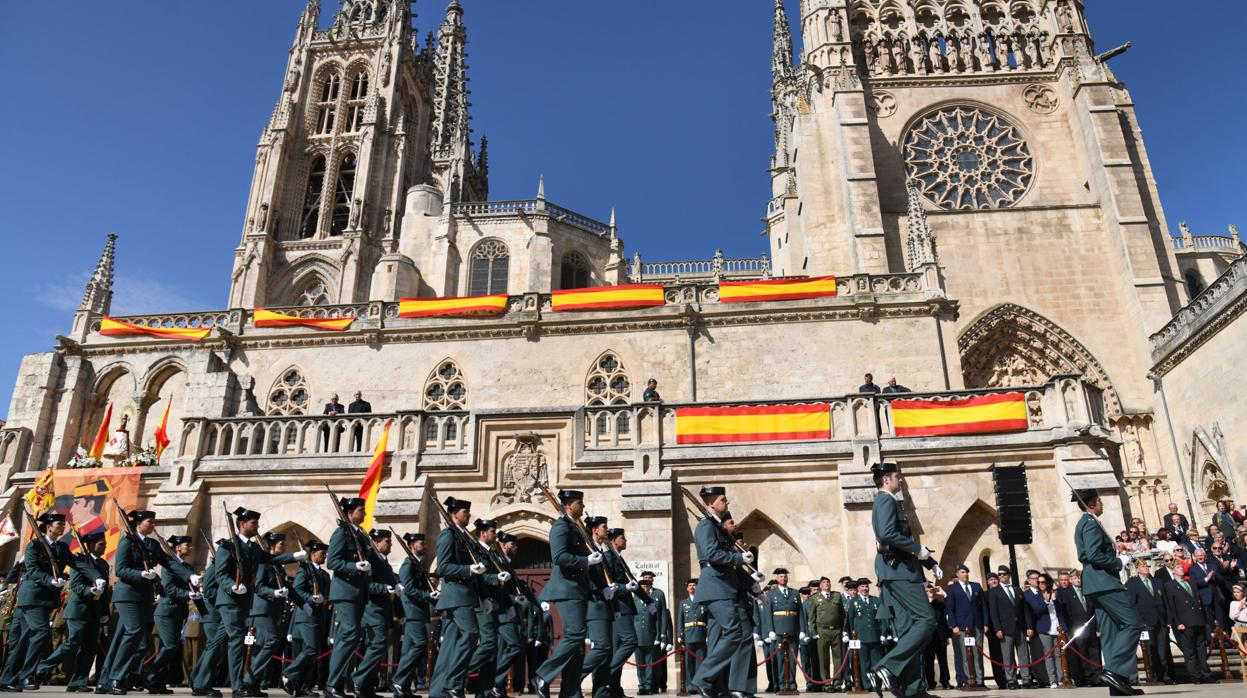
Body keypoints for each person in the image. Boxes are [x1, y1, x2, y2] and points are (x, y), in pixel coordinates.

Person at [211, 508, 303, 698]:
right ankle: (239, 686)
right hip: (229, 600)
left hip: (244, 602)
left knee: (230, 643)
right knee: (236, 641)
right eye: (254, 523)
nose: (258, 526)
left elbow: (270, 559)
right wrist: (232, 586)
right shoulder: (228, 546)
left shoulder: (252, 548)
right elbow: (220, 574)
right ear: (242, 524)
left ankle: (238, 683)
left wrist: (293, 556)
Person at [867, 462, 941, 698]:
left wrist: (928, 560)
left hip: (896, 570)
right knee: (927, 620)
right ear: (887, 479)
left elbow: (900, 541)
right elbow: (889, 534)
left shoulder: (885, 501)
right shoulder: (886, 500)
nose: (900, 480)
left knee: (909, 629)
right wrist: (919, 549)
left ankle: (911, 690)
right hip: (899, 572)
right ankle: (887, 667)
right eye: (897, 477)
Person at [1070, 488, 1142, 696]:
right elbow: (1092, 554)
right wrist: (1119, 561)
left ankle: (1117, 684)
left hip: (1095, 583)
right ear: (1091, 504)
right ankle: (1113, 671)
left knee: (1110, 632)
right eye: (1099, 501)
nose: (1102, 504)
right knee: (1132, 623)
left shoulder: (1084, 523)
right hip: (1104, 582)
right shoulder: (1091, 524)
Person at [687, 486, 756, 698]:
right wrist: (738, 558)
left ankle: (718, 687)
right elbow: (711, 555)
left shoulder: (716, 527)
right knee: (734, 632)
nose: (727, 503)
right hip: (716, 587)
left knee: (719, 638)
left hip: (724, 587)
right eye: (723, 500)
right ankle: (703, 679)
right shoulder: (706, 526)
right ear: (711, 504)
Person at [534, 490, 597, 698]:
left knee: (578, 644)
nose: (584, 506)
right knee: (576, 634)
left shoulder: (574, 527)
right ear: (569, 504)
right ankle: (543, 675)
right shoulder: (560, 526)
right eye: (580, 502)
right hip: (567, 589)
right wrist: (586, 561)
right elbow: (559, 556)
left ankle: (571, 691)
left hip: (577, 589)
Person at [32, 530, 109, 691]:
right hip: (78, 610)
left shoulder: (103, 564)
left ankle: (78, 682)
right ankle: (41, 667)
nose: (105, 546)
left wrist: (104, 613)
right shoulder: (80, 560)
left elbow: (106, 591)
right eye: (102, 544)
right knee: (73, 643)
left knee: (89, 648)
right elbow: (76, 585)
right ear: (92, 545)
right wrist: (90, 590)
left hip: (94, 611)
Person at [428, 498, 485, 698]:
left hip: (465, 595)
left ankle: (437, 691)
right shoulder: (448, 536)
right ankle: (453, 683)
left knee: (450, 646)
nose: (468, 515)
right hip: (456, 596)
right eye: (464, 512)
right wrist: (468, 569)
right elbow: (442, 567)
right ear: (454, 514)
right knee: (471, 634)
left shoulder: (464, 536)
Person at [146, 535, 200, 693]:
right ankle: (150, 675)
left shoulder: (187, 568)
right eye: (187, 545)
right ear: (177, 548)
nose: (190, 548)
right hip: (166, 611)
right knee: (169, 646)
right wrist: (188, 594)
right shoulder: (169, 565)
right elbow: (169, 589)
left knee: (170, 648)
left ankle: (158, 683)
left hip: (178, 612)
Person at [244, 532, 292, 696]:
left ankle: (253, 685)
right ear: (272, 545)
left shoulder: (278, 566)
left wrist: (303, 603)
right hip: (262, 610)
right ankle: (248, 680)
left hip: (273, 611)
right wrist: (275, 592)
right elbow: (258, 586)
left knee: (261, 647)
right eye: (281, 544)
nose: (284, 547)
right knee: (272, 641)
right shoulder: (263, 563)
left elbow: (288, 588)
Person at [282, 540, 330, 698]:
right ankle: (288, 674)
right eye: (322, 553)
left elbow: (327, 594)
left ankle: (304, 687)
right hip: (306, 616)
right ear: (313, 554)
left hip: (319, 617)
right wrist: (311, 598)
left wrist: (323, 599)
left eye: (325, 553)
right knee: (310, 650)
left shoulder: (324, 574)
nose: (324, 556)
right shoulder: (304, 570)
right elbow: (296, 591)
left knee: (311, 654)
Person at [1162, 561, 1216, 684]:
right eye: (1178, 567)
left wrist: (1205, 620)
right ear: (1173, 571)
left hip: (1198, 620)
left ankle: (1206, 675)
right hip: (1184, 623)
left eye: (1181, 566)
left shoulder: (1191, 582)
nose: (1181, 568)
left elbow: (1199, 601)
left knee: (1202, 650)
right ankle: (1195, 676)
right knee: (1190, 652)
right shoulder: (1169, 586)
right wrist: (1177, 622)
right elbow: (1171, 606)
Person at [1126, 562, 1175, 685]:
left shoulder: (1157, 582)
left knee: (1162, 649)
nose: (1146, 568)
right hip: (1146, 622)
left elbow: (1165, 602)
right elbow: (1132, 604)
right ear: (1137, 570)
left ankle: (1164, 675)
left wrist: (1168, 620)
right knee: (1150, 649)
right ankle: (1152, 674)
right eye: (1143, 567)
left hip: (1161, 620)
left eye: (1147, 566)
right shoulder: (1133, 583)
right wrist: (1140, 621)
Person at [986, 565, 1033, 689]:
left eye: (1004, 574)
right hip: (1005, 628)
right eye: (999, 574)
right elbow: (994, 612)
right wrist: (997, 629)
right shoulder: (994, 592)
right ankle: (1011, 679)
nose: (1001, 576)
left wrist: (1029, 626)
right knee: (1008, 655)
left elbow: (1025, 610)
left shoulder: (1017, 590)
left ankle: (1026, 678)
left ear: (1009, 575)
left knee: (1023, 654)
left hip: (1020, 626)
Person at [604, 529, 638, 698]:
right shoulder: (609, 557)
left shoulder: (617, 557)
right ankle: (607, 675)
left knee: (617, 647)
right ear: (613, 541)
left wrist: (648, 601)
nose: (625, 540)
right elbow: (609, 583)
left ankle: (615, 689)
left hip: (624, 606)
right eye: (622, 538)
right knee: (631, 641)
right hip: (618, 607)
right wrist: (625, 588)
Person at [943, 564, 985, 688]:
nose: (965, 574)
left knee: (978, 653)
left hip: (977, 625)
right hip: (962, 627)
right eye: (962, 572)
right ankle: (969, 680)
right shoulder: (953, 589)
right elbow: (949, 608)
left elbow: (983, 606)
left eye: (966, 572)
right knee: (966, 654)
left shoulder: (976, 586)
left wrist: (985, 624)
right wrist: (953, 625)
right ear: (957, 574)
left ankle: (980, 680)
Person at [1055, 571, 1099, 687]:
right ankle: (1087, 677)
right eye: (1075, 578)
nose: (1078, 580)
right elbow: (1066, 613)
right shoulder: (1067, 594)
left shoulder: (1087, 591)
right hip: (1077, 628)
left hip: (1091, 627)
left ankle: (1096, 676)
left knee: (1094, 652)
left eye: (1079, 578)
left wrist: (1098, 627)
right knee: (1082, 653)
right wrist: (1069, 629)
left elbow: (1094, 610)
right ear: (1071, 580)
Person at [763, 569, 801, 692]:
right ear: (777, 579)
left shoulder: (794, 593)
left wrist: (802, 629)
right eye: (781, 576)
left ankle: (792, 684)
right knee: (779, 658)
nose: (783, 578)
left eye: (785, 576)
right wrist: (770, 630)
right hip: (778, 629)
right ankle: (781, 684)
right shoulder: (771, 594)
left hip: (793, 629)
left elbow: (800, 613)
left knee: (793, 658)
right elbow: (768, 613)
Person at [1024, 575, 1064, 688]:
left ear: (1047, 583)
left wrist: (1055, 600)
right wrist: (1046, 602)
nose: (1040, 584)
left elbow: (1060, 610)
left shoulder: (1054, 593)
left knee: (1059, 654)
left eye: (1043, 582)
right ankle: (1052, 680)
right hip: (1044, 628)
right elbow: (1037, 610)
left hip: (1057, 627)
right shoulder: (1036, 596)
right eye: (1039, 582)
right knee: (1048, 654)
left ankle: (1061, 679)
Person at [808, 576, 846, 692]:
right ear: (820, 586)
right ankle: (827, 683)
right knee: (823, 658)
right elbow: (811, 617)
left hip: (836, 630)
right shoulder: (815, 598)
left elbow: (843, 615)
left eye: (828, 582)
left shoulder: (837, 596)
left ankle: (838, 683)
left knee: (838, 658)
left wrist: (843, 630)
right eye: (824, 582)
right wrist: (813, 632)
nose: (826, 584)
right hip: (822, 631)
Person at [848, 577, 883, 690]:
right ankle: (867, 684)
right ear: (858, 588)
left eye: (866, 586)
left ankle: (876, 684)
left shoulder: (876, 600)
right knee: (864, 663)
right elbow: (850, 620)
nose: (865, 588)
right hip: (861, 637)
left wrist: (883, 633)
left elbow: (881, 619)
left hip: (875, 636)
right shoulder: (853, 602)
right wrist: (851, 637)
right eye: (862, 586)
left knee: (876, 662)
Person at [677, 580, 707, 694]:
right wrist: (680, 634)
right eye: (689, 585)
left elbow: (708, 619)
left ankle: (700, 685)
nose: (692, 587)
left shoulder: (703, 602)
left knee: (701, 661)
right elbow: (680, 620)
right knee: (689, 662)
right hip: (688, 634)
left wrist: (708, 635)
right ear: (687, 588)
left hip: (701, 634)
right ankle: (690, 686)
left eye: (694, 585)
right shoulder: (683, 602)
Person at [922, 583, 951, 691]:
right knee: (928, 661)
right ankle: (930, 682)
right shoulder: (922, 604)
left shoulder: (939, 603)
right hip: (928, 637)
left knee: (943, 660)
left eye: (930, 588)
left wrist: (947, 635)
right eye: (927, 589)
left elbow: (946, 617)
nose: (929, 590)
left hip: (940, 636)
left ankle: (945, 681)